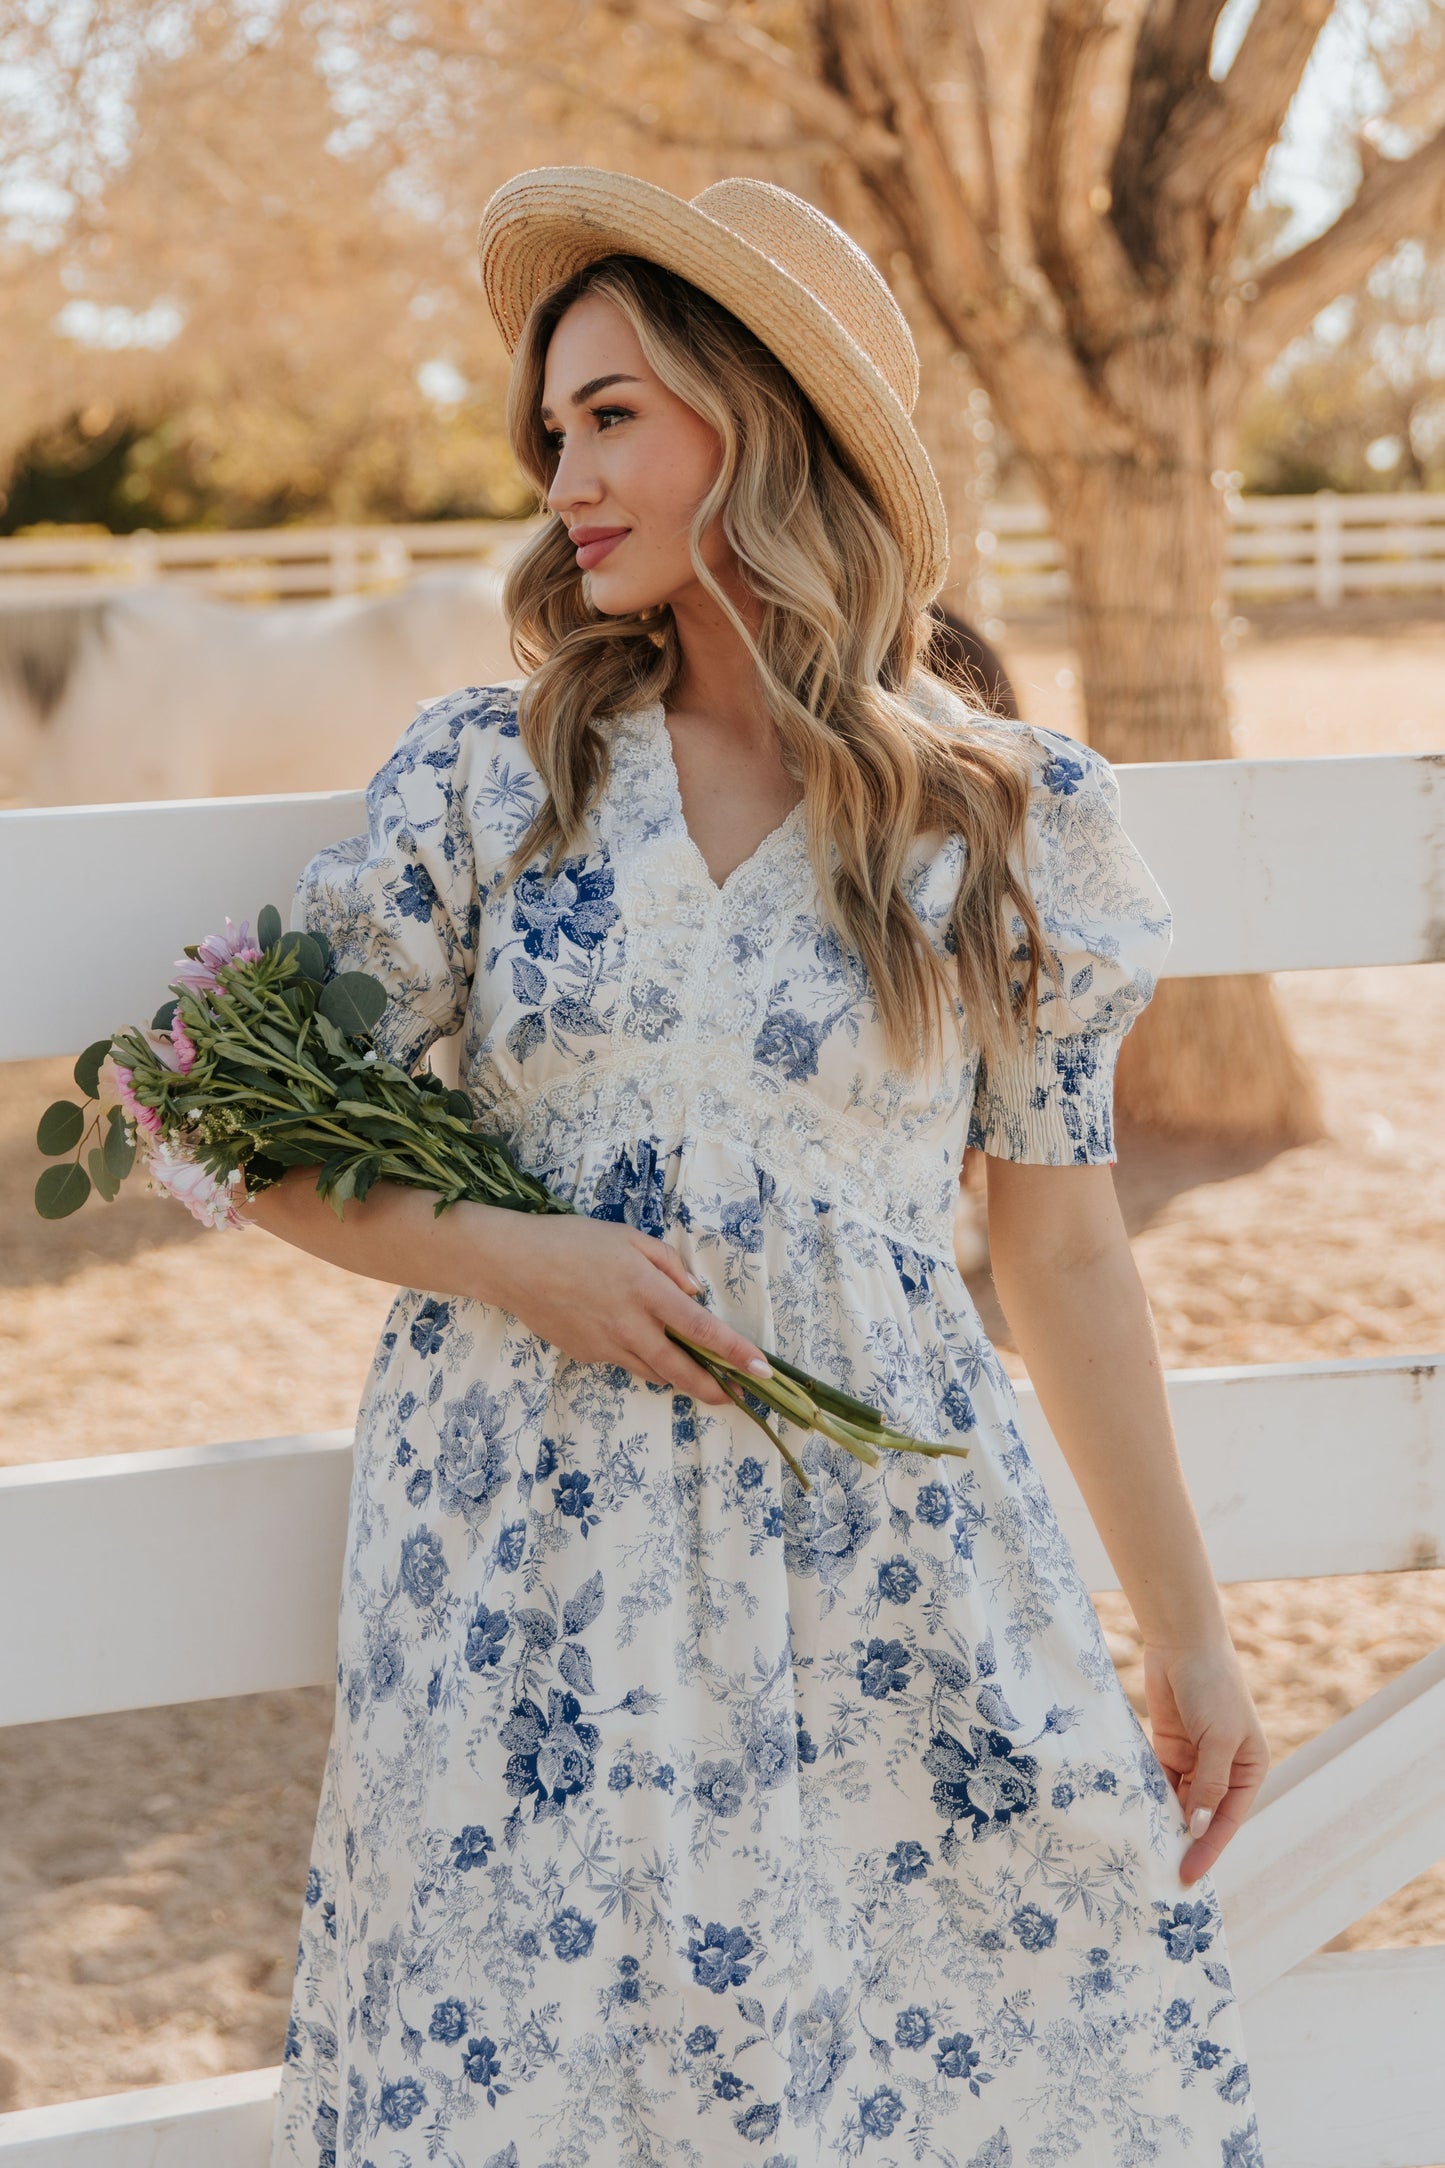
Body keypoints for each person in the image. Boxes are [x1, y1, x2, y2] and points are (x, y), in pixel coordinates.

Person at [250, 169, 1269, 2168]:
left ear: (764, 411)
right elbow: (261, 1138)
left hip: (883, 1569)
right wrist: (515, 1253)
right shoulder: (493, 778)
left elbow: (1057, 1247)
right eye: (552, 429)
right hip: (532, 1577)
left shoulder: (1005, 814)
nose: (567, 471)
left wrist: (1191, 1627)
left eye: (614, 412)